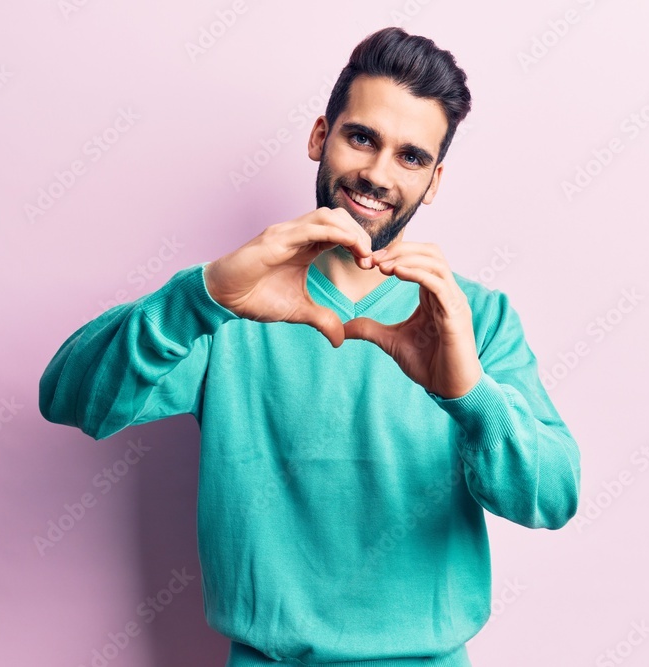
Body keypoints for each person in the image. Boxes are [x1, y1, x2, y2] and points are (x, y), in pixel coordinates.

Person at [39, 26, 580, 667]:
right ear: (321, 137)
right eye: (362, 138)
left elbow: (552, 498)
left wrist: (469, 395)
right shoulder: (231, 300)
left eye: (411, 157)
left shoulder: (477, 319)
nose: (377, 174)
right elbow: (70, 399)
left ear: (433, 180)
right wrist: (199, 297)